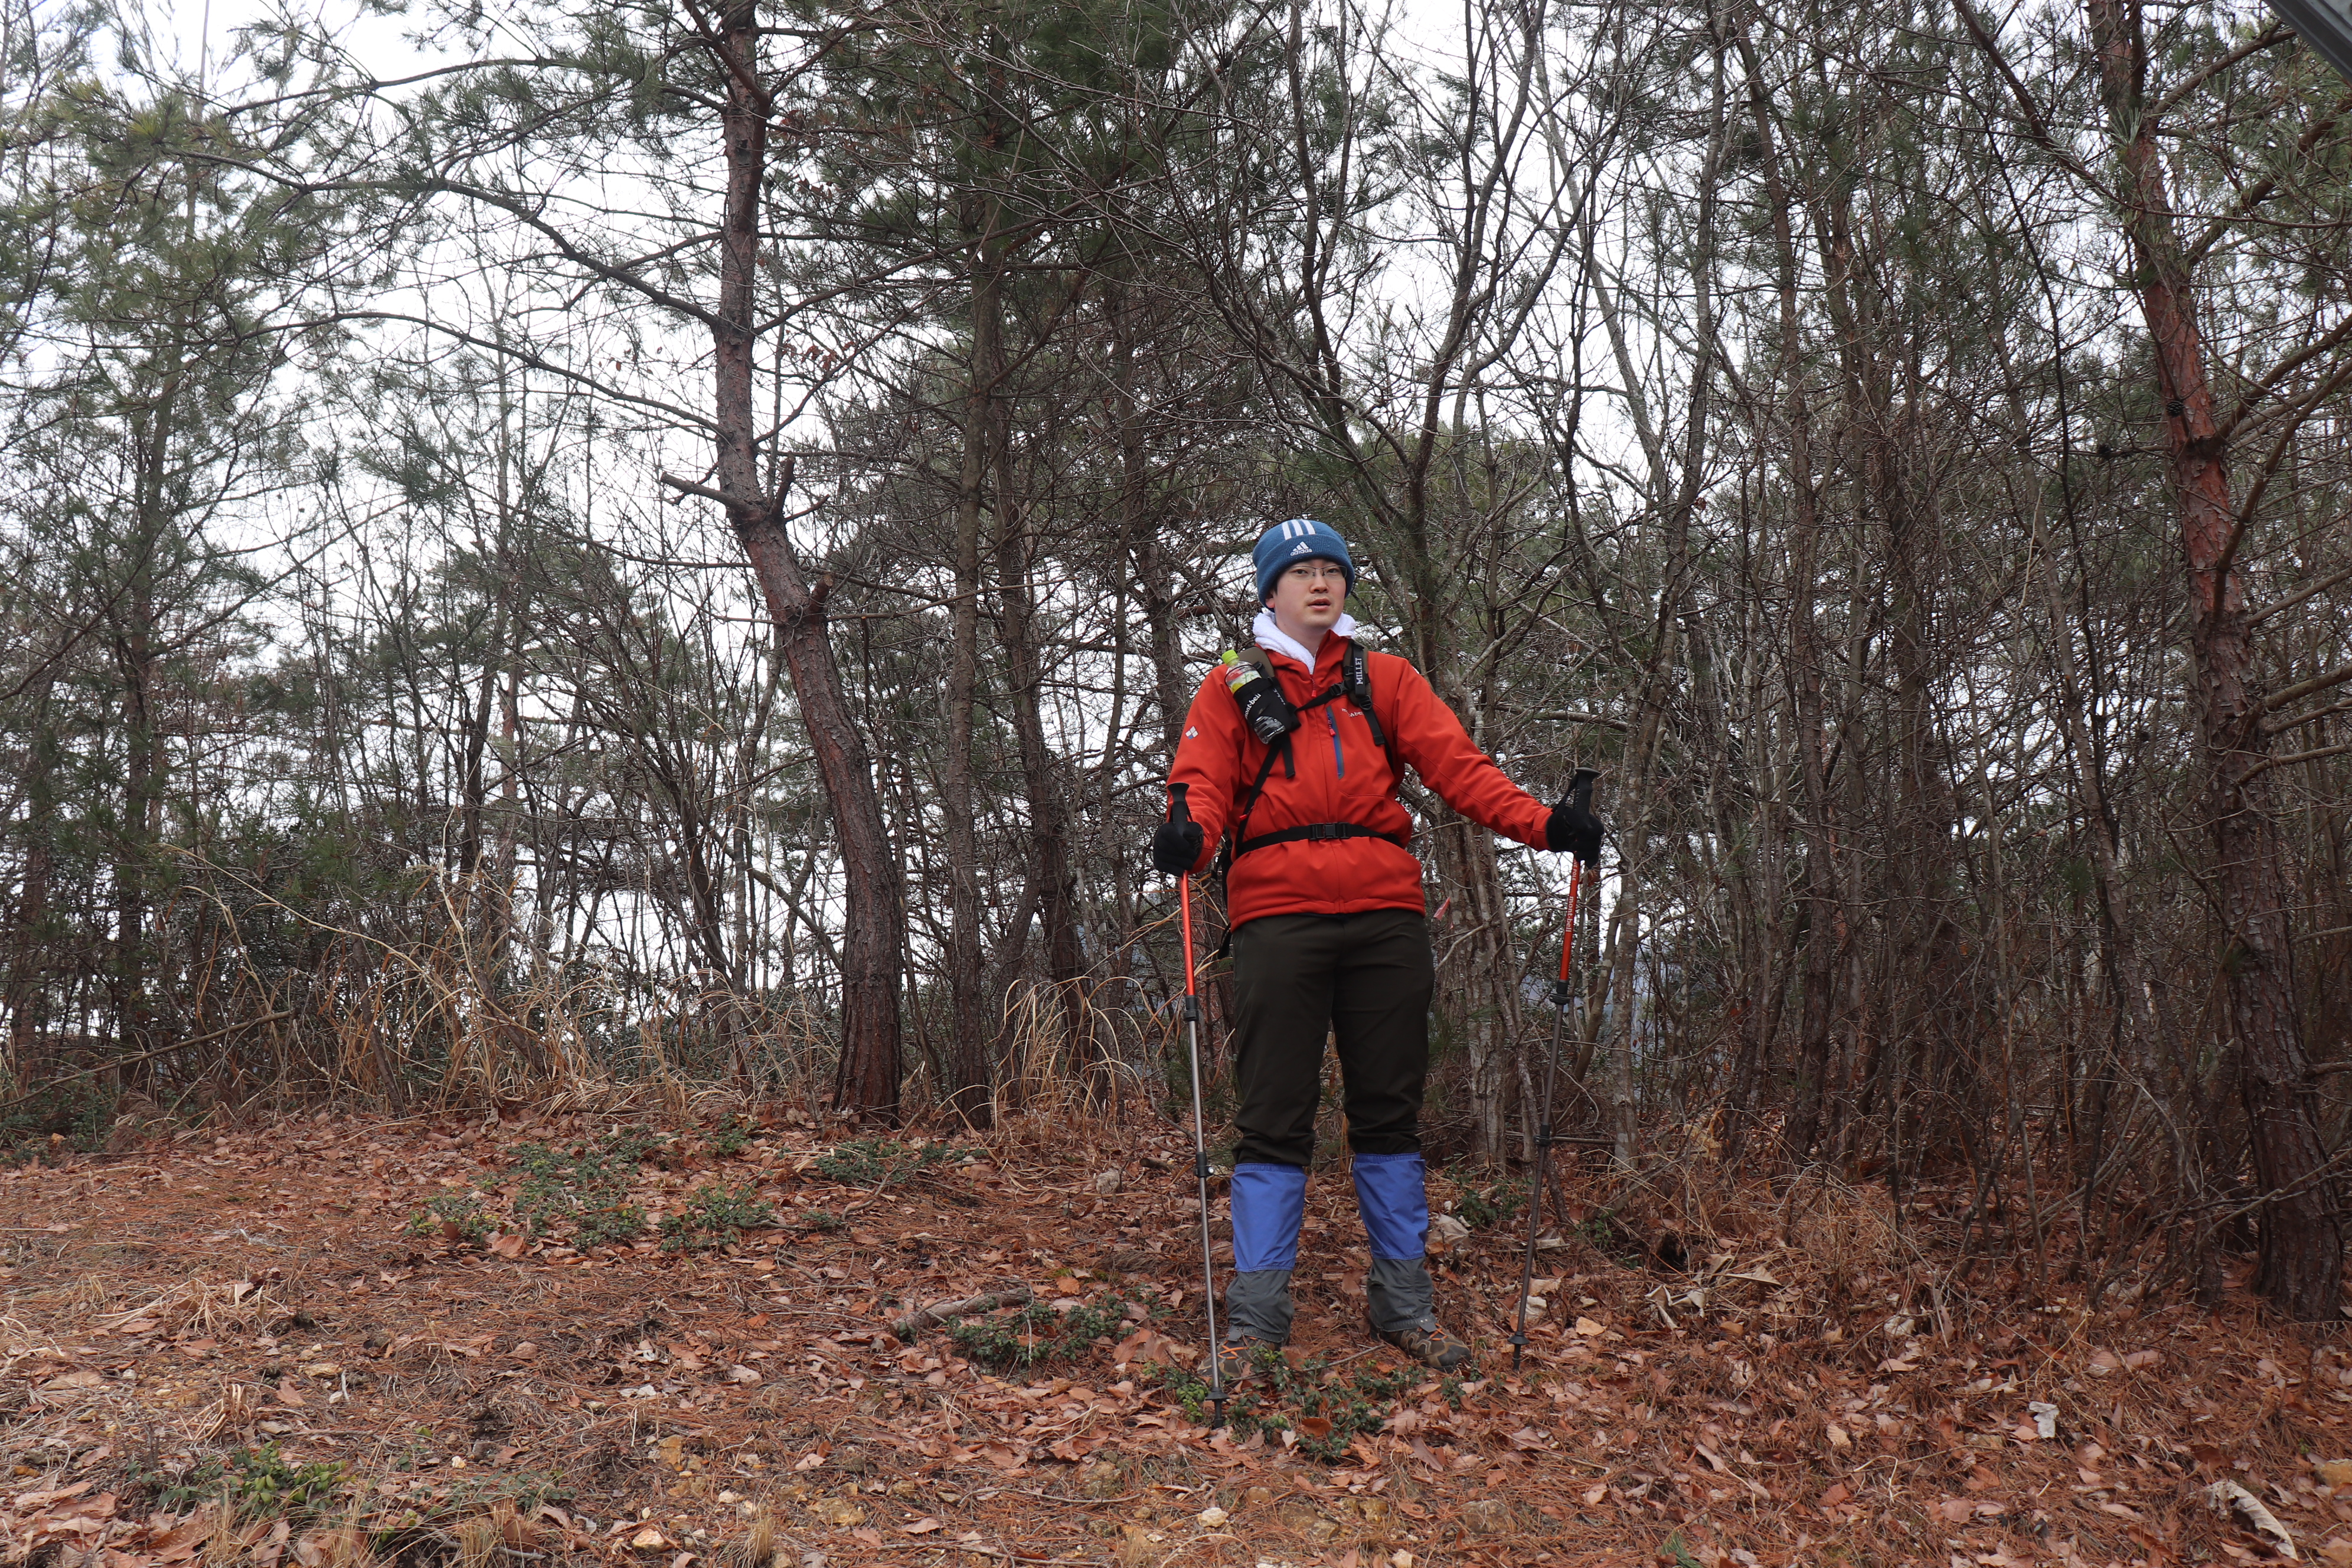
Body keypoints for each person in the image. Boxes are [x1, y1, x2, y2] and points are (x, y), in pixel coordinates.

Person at [1151, 518, 1603, 1378]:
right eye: (1301, 573)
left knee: (1388, 1116)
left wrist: (1548, 826)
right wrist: (1191, 841)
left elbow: (1461, 770)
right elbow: (1199, 790)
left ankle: (1404, 1305)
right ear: (1271, 590)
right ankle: (1256, 1320)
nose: (1320, 583)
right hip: (1276, 916)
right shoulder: (1230, 687)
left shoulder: (1387, 679)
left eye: (1333, 570)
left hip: (1386, 917)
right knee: (1272, 1117)